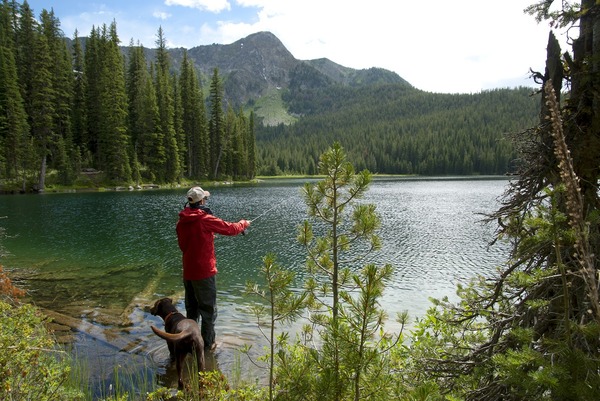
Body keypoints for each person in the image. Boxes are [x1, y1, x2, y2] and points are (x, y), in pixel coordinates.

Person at [176, 186, 250, 351]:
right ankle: (208, 347)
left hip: (188, 272)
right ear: (201, 201)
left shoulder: (181, 221)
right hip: (204, 273)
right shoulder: (205, 219)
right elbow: (231, 229)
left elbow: (184, 246)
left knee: (192, 311)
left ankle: (190, 344)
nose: (206, 201)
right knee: (208, 312)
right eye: (205, 199)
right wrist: (243, 224)